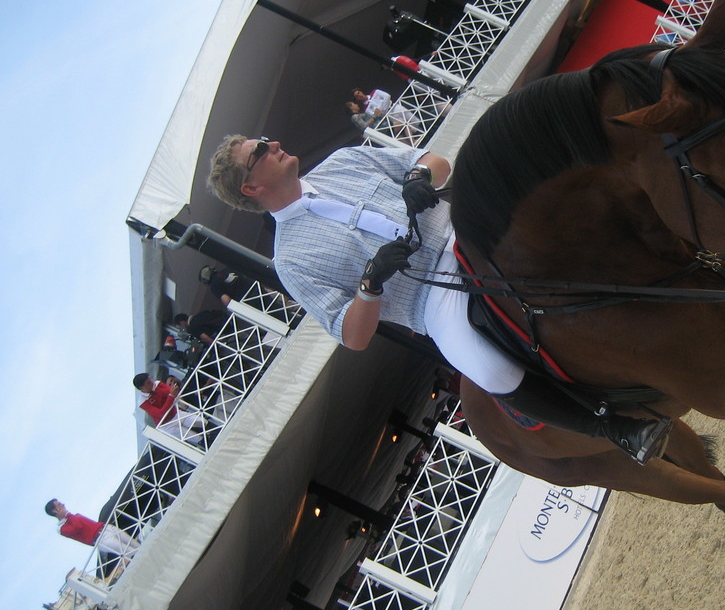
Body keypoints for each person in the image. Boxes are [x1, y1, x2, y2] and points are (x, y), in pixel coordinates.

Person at [206, 136, 669, 463]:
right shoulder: (290, 259)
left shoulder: (343, 160)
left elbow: (432, 160)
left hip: (462, 228)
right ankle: (615, 428)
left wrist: (418, 178)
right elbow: (352, 334)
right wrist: (370, 283)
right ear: (251, 188)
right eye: (259, 151)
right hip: (431, 299)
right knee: (491, 369)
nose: (272, 143)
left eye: (263, 139)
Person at [44, 499, 140, 556]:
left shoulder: (72, 517)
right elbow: (77, 526)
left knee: (135, 544)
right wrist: (67, 514)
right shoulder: (62, 528)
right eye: (59, 504)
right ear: (55, 511)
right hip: (101, 539)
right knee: (130, 552)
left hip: (106, 528)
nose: (63, 504)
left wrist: (68, 515)